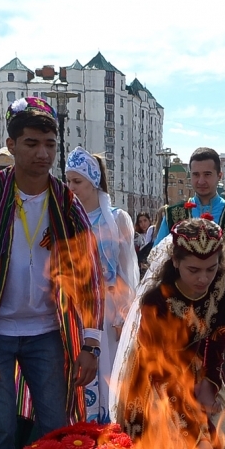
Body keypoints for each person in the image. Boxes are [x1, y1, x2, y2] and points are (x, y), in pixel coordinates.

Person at [0, 97, 103, 449]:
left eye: (50, 144)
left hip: (48, 333)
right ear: (12, 144)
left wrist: (91, 344)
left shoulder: (66, 201)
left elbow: (90, 275)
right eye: (32, 143)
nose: (43, 153)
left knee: (55, 423)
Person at [113, 216, 225, 449]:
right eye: (193, 270)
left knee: (220, 438)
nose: (204, 279)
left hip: (198, 366)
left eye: (211, 268)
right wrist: (194, 434)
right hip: (155, 379)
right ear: (175, 261)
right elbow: (162, 374)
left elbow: (219, 333)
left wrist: (210, 382)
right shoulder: (155, 301)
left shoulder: (224, 279)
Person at [156, 147, 225, 411]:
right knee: (177, 375)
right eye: (196, 174)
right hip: (179, 311)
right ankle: (181, 443)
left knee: (223, 375)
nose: (201, 180)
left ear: (219, 175)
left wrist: (215, 286)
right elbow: (159, 258)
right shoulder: (174, 214)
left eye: (207, 174)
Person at [65, 147, 140, 422]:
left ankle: (109, 429)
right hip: (76, 305)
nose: (71, 187)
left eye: (77, 181)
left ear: (93, 182)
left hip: (108, 308)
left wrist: (124, 314)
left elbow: (126, 269)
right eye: (68, 180)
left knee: (108, 367)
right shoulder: (67, 218)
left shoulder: (117, 218)